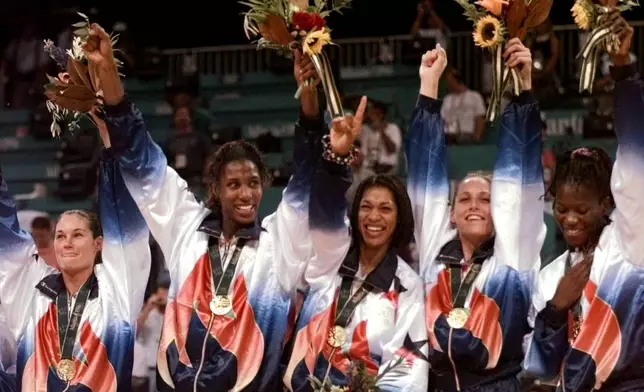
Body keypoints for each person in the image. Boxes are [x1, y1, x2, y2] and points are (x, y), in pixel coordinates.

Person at [83, 23, 338, 390]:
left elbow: (307, 179)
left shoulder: (278, 244)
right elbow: (141, 158)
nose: (246, 194)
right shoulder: (185, 228)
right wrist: (107, 68)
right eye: (233, 184)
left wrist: (309, 100)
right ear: (215, 189)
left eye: (253, 183)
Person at [407, 41, 544, 391]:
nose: (473, 204)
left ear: (500, 211)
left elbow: (520, 172)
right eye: (464, 198)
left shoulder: (513, 256)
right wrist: (429, 86)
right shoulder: (435, 254)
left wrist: (523, 89)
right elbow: (425, 176)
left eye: (486, 199)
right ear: (450, 214)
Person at [524, 16, 644, 391]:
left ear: (608, 203)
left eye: (582, 209)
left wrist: (623, 71)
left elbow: (635, 157)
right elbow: (540, 368)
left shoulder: (629, 245)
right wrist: (557, 308)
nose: (569, 219)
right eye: (561, 208)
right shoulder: (549, 276)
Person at [283, 97, 429, 391]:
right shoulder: (331, 258)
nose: (374, 217)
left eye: (386, 209)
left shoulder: (407, 285)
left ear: (400, 219)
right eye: (366, 207)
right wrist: (337, 157)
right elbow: (324, 211)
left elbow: (408, 368)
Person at [0, 116, 151, 390]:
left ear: (99, 244)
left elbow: (124, 214)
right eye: (60, 236)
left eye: (78, 235)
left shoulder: (117, 292)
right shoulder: (31, 293)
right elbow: (5, 234)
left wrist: (110, 137)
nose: (66, 243)